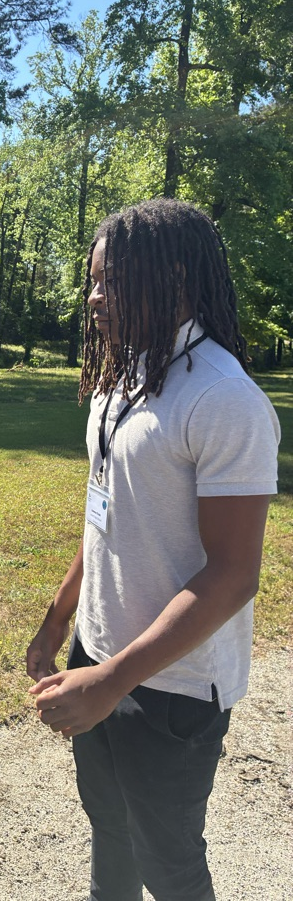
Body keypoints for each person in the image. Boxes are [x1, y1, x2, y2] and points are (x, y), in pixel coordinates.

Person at [26, 198, 280, 901]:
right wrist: (59, 621)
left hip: (173, 686)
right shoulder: (123, 377)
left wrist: (112, 682)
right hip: (96, 653)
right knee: (108, 827)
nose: (93, 298)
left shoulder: (224, 398)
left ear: (172, 277)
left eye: (109, 280)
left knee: (168, 861)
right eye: (92, 280)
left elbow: (233, 576)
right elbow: (103, 513)